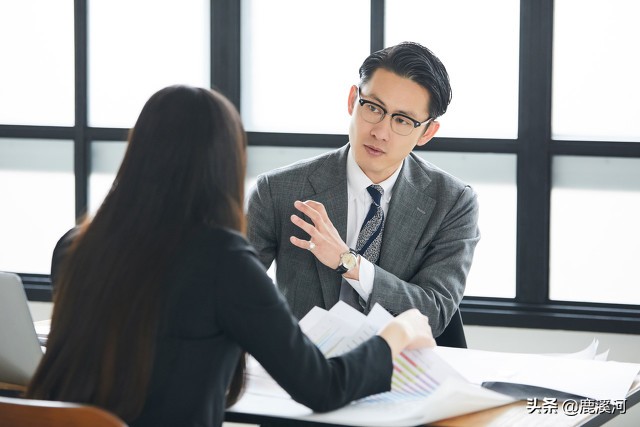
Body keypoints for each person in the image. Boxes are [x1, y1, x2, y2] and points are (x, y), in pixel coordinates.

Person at [26, 85, 435, 427]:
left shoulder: (76, 246)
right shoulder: (223, 262)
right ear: (224, 163)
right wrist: (396, 334)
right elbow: (323, 387)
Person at [247, 42, 480, 338]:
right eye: (373, 108)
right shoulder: (276, 190)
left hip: (399, 370)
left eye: (402, 120)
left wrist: (349, 262)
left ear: (427, 132)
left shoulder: (453, 202)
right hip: (305, 369)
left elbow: (433, 313)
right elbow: (233, 291)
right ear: (351, 101)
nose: (380, 132)